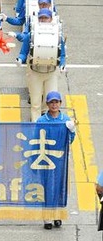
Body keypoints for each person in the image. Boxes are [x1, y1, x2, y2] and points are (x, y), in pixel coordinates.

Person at [36, 90, 76, 229]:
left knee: (60, 187)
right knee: (47, 188)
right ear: (47, 104)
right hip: (45, 158)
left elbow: (71, 140)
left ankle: (58, 215)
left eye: (56, 102)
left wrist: (71, 131)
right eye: (51, 102)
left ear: (60, 103)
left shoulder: (65, 120)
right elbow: (36, 139)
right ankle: (47, 218)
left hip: (61, 160)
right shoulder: (41, 121)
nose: (54, 105)